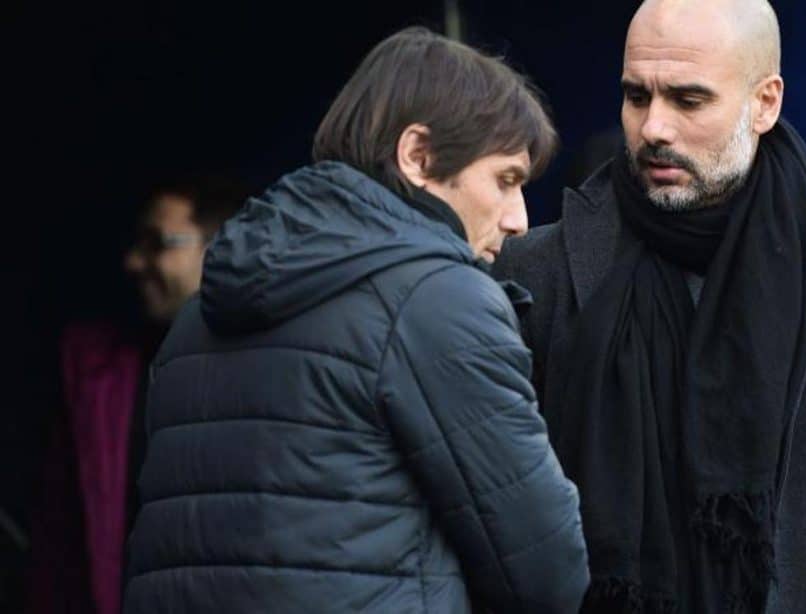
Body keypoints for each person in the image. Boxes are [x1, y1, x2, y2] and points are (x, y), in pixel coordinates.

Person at [493, 1, 806, 612]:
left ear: (765, 103)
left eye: (688, 100)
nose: (654, 128)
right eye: (636, 96)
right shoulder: (537, 272)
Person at [122, 27, 589, 614]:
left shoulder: (198, 311)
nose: (519, 218)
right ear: (417, 156)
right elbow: (548, 574)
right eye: (505, 180)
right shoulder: (437, 299)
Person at [27, 177, 246, 614]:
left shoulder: (282, 369)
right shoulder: (94, 373)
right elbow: (57, 534)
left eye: (157, 243)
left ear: (221, 249)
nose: (133, 261)